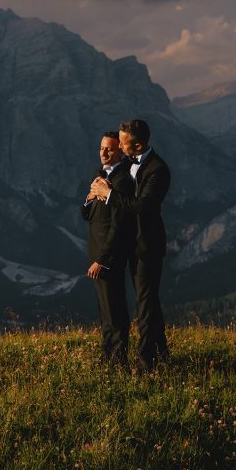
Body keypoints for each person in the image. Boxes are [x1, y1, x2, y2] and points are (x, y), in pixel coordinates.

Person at [90, 119, 171, 373]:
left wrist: (110, 196)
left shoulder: (158, 169)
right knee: (145, 304)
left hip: (146, 246)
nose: (119, 147)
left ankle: (147, 363)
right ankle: (160, 353)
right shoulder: (126, 163)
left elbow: (143, 207)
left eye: (123, 143)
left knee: (145, 305)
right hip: (126, 244)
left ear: (137, 144)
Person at [82, 131, 135, 368]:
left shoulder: (122, 180)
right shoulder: (99, 175)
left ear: (120, 151)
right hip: (96, 250)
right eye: (101, 147)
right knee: (104, 309)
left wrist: (103, 259)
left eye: (110, 149)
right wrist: (90, 197)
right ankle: (108, 357)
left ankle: (118, 360)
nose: (103, 152)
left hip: (108, 255)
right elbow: (88, 215)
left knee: (114, 309)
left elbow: (119, 224)